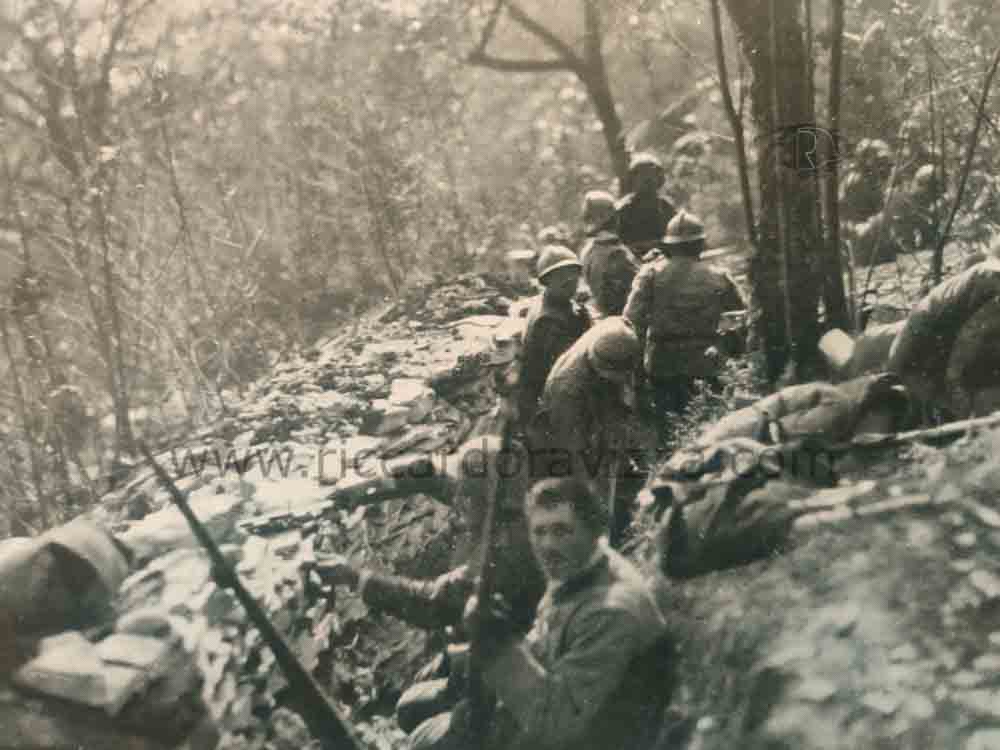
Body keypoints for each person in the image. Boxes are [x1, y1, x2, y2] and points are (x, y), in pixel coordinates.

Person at [408, 477, 672, 750]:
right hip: (558, 715)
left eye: (561, 531)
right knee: (417, 719)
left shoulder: (612, 610)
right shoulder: (579, 570)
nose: (548, 546)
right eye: (539, 532)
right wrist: (477, 650)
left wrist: (499, 647)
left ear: (592, 530)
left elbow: (555, 723)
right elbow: (545, 650)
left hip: (590, 739)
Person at [314, 435, 546, 733]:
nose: (458, 498)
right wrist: (369, 486)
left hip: (504, 679)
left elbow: (432, 603)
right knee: (416, 694)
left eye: (466, 492)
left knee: (413, 717)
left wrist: (353, 577)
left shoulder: (505, 555)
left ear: (485, 498)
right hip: (484, 648)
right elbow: (436, 478)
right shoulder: (507, 509)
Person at [623, 210, 745, 446]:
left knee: (669, 434)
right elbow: (741, 317)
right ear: (701, 244)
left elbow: (631, 320)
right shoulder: (719, 276)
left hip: (663, 363)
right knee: (710, 429)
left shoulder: (651, 275)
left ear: (669, 245)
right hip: (707, 362)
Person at [888, 255, 1000, 420]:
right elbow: (967, 343)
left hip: (932, 352)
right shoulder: (993, 280)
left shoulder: (991, 272)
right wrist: (958, 397)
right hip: (919, 360)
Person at [517, 246, 591, 430]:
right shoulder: (547, 320)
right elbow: (570, 365)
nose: (570, 280)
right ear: (546, 281)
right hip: (551, 397)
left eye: (573, 273)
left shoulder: (559, 303)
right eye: (561, 276)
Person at [579, 191, 641, 317]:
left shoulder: (588, 249)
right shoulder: (616, 253)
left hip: (598, 314)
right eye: (615, 215)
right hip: (616, 319)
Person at [614, 153, 677, 254]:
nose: (649, 180)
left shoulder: (666, 207)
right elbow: (616, 245)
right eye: (643, 176)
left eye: (652, 175)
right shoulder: (623, 209)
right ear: (633, 180)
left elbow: (678, 238)